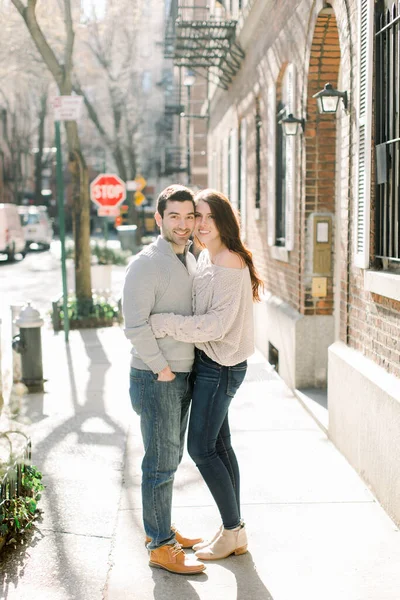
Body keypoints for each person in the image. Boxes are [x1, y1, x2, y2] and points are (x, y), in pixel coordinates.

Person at [150, 188, 263, 561]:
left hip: (221, 367)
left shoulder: (228, 262)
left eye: (207, 217)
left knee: (201, 448)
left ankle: (232, 530)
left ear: (223, 221)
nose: (199, 224)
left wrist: (163, 323)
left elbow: (214, 325)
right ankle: (235, 529)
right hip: (213, 365)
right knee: (220, 447)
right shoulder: (207, 258)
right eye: (196, 216)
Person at [122, 184, 205, 575]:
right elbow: (134, 325)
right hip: (157, 377)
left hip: (179, 373)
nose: (184, 224)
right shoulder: (145, 264)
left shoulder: (187, 258)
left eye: (189, 216)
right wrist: (162, 368)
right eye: (174, 216)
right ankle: (160, 545)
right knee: (159, 463)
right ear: (158, 219)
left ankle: (160, 527)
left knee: (169, 458)